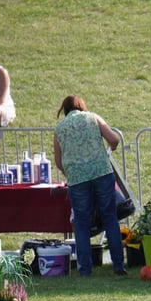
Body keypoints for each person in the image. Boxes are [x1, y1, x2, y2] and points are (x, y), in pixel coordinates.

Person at [53, 95, 126, 276]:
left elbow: (58, 160)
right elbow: (114, 140)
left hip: (77, 179)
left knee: (82, 223)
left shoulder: (59, 128)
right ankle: (118, 265)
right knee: (110, 217)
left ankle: (85, 269)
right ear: (81, 106)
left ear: (65, 110)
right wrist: (111, 148)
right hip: (101, 172)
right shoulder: (93, 117)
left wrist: (70, 172)